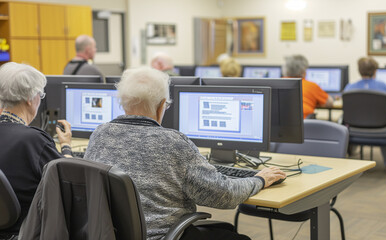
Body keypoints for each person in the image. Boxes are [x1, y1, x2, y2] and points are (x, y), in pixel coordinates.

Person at [84, 66, 286, 240]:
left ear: (123, 102)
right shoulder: (173, 142)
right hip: (167, 235)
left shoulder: (99, 134)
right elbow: (223, 195)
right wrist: (259, 180)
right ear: (162, 105)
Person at [0, 62, 73, 236]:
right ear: (30, 98)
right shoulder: (34, 140)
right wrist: (66, 148)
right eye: (40, 94)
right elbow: (69, 183)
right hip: (25, 232)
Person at [344, 57, 386, 172]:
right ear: (375, 71)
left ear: (359, 70)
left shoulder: (349, 88)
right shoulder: (383, 87)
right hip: (382, 132)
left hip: (355, 131)